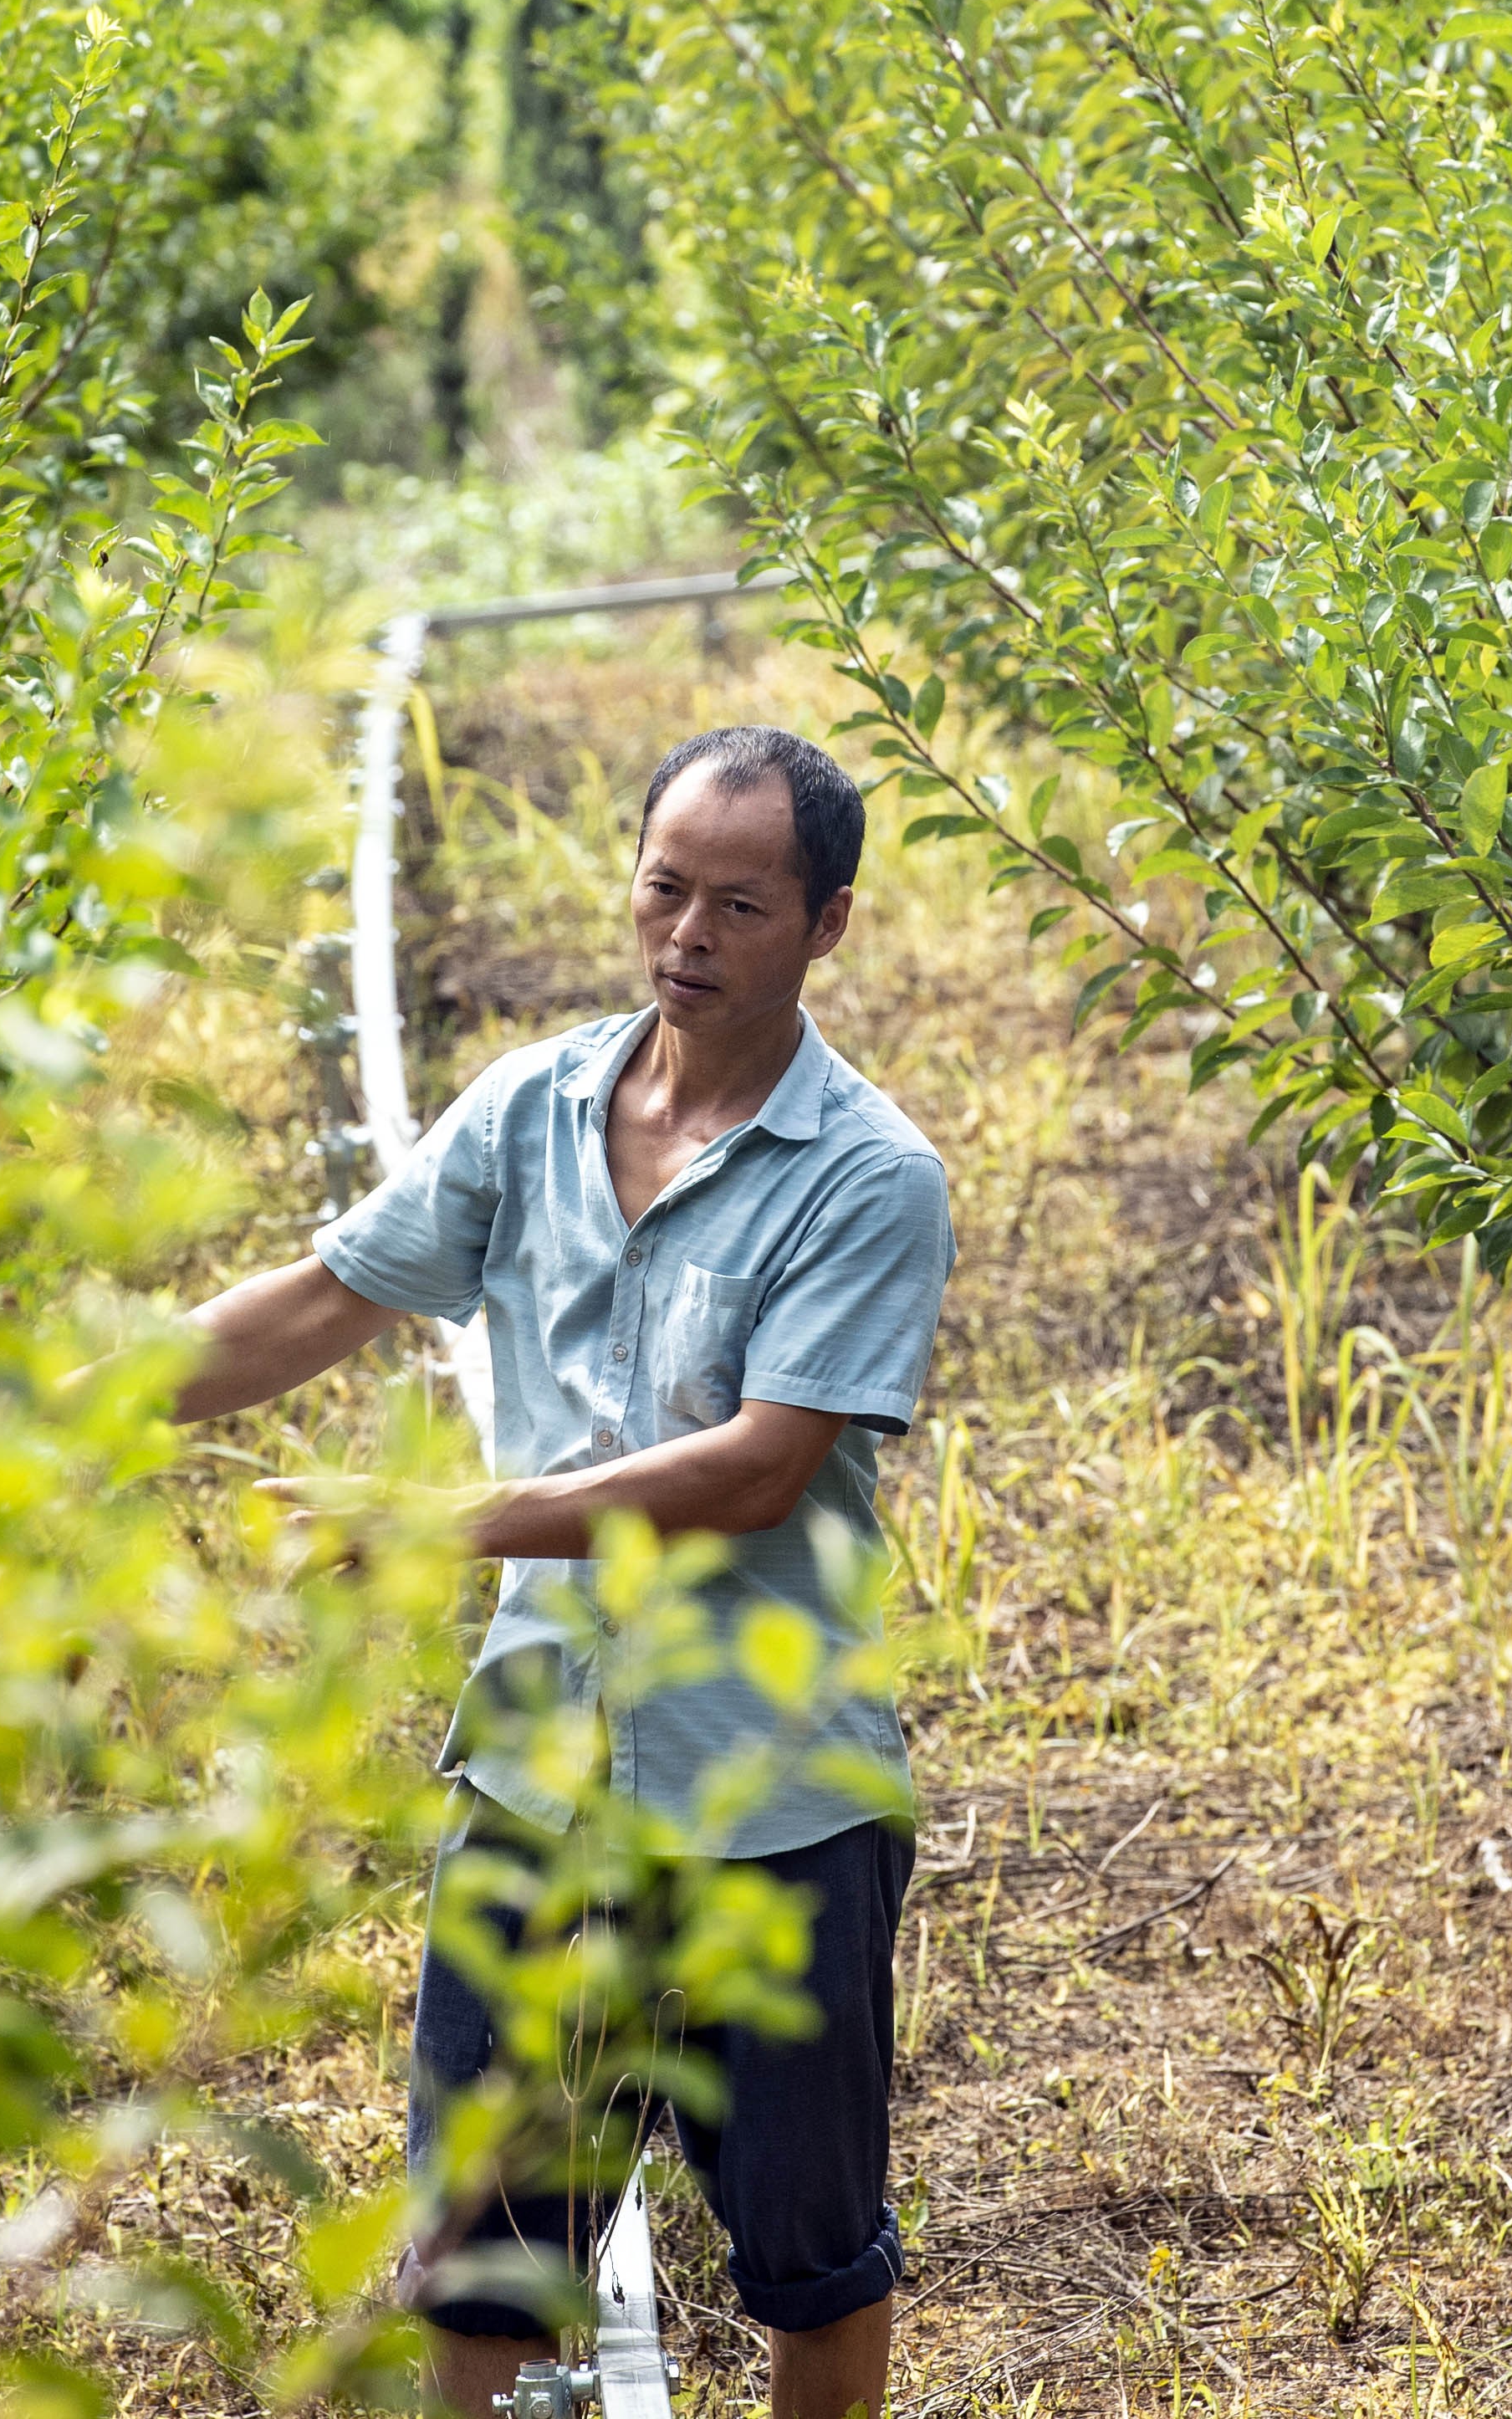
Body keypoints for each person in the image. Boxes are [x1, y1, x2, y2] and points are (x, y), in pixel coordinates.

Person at [168, 724, 953, 2419]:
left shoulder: (870, 1175)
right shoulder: (531, 1106)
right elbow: (320, 1296)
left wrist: (424, 1521)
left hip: (775, 1800)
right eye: (664, 886)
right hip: (537, 1778)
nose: (687, 932)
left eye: (740, 904)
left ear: (827, 924)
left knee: (811, 2254)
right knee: (483, 2252)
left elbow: (753, 1469)